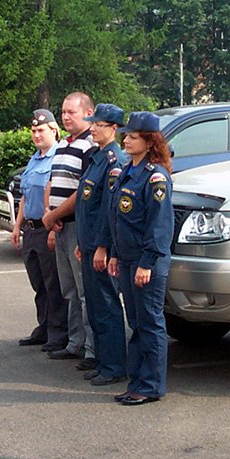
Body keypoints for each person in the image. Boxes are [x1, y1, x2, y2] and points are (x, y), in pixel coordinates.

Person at [106, 112, 173, 405]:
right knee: (135, 322)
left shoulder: (155, 177)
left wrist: (146, 263)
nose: (126, 140)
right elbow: (119, 220)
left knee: (149, 323)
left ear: (149, 141)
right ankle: (137, 381)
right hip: (128, 259)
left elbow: (159, 227)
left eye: (133, 136)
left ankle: (151, 385)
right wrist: (115, 254)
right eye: (126, 136)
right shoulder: (127, 172)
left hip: (147, 263)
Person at [43, 92, 97, 369]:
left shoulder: (90, 146)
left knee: (85, 291)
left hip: (77, 226)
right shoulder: (63, 144)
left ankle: (91, 349)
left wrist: (55, 214)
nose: (65, 117)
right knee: (69, 290)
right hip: (61, 226)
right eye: (63, 112)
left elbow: (83, 192)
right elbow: (53, 183)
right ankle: (75, 342)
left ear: (88, 113)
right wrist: (50, 215)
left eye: (71, 112)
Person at [76, 103, 128, 386]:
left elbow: (109, 210)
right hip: (88, 244)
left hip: (100, 247)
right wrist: (83, 243)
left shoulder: (113, 162)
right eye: (93, 123)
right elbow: (88, 207)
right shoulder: (96, 158)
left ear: (114, 128)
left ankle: (114, 366)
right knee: (95, 307)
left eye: (99, 124)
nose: (93, 128)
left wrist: (103, 247)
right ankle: (103, 360)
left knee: (106, 306)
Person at [12, 109, 68, 353]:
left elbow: (58, 196)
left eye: (41, 130)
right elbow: (25, 196)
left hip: (48, 229)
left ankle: (59, 333)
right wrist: (17, 226)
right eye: (33, 131)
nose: (36, 135)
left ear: (54, 131)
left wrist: (53, 230)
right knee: (39, 283)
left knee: (53, 284)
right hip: (31, 229)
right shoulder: (35, 159)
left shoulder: (59, 157)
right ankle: (43, 327)